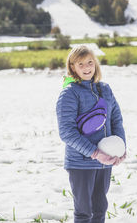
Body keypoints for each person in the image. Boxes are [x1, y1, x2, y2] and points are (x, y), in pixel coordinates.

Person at [56, 45, 126, 223]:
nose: (87, 67)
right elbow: (66, 132)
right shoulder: (69, 93)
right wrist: (95, 153)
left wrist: (121, 149)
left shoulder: (105, 89)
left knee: (100, 209)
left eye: (90, 62)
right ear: (72, 67)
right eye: (81, 64)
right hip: (81, 164)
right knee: (84, 213)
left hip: (105, 162)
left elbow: (116, 121)